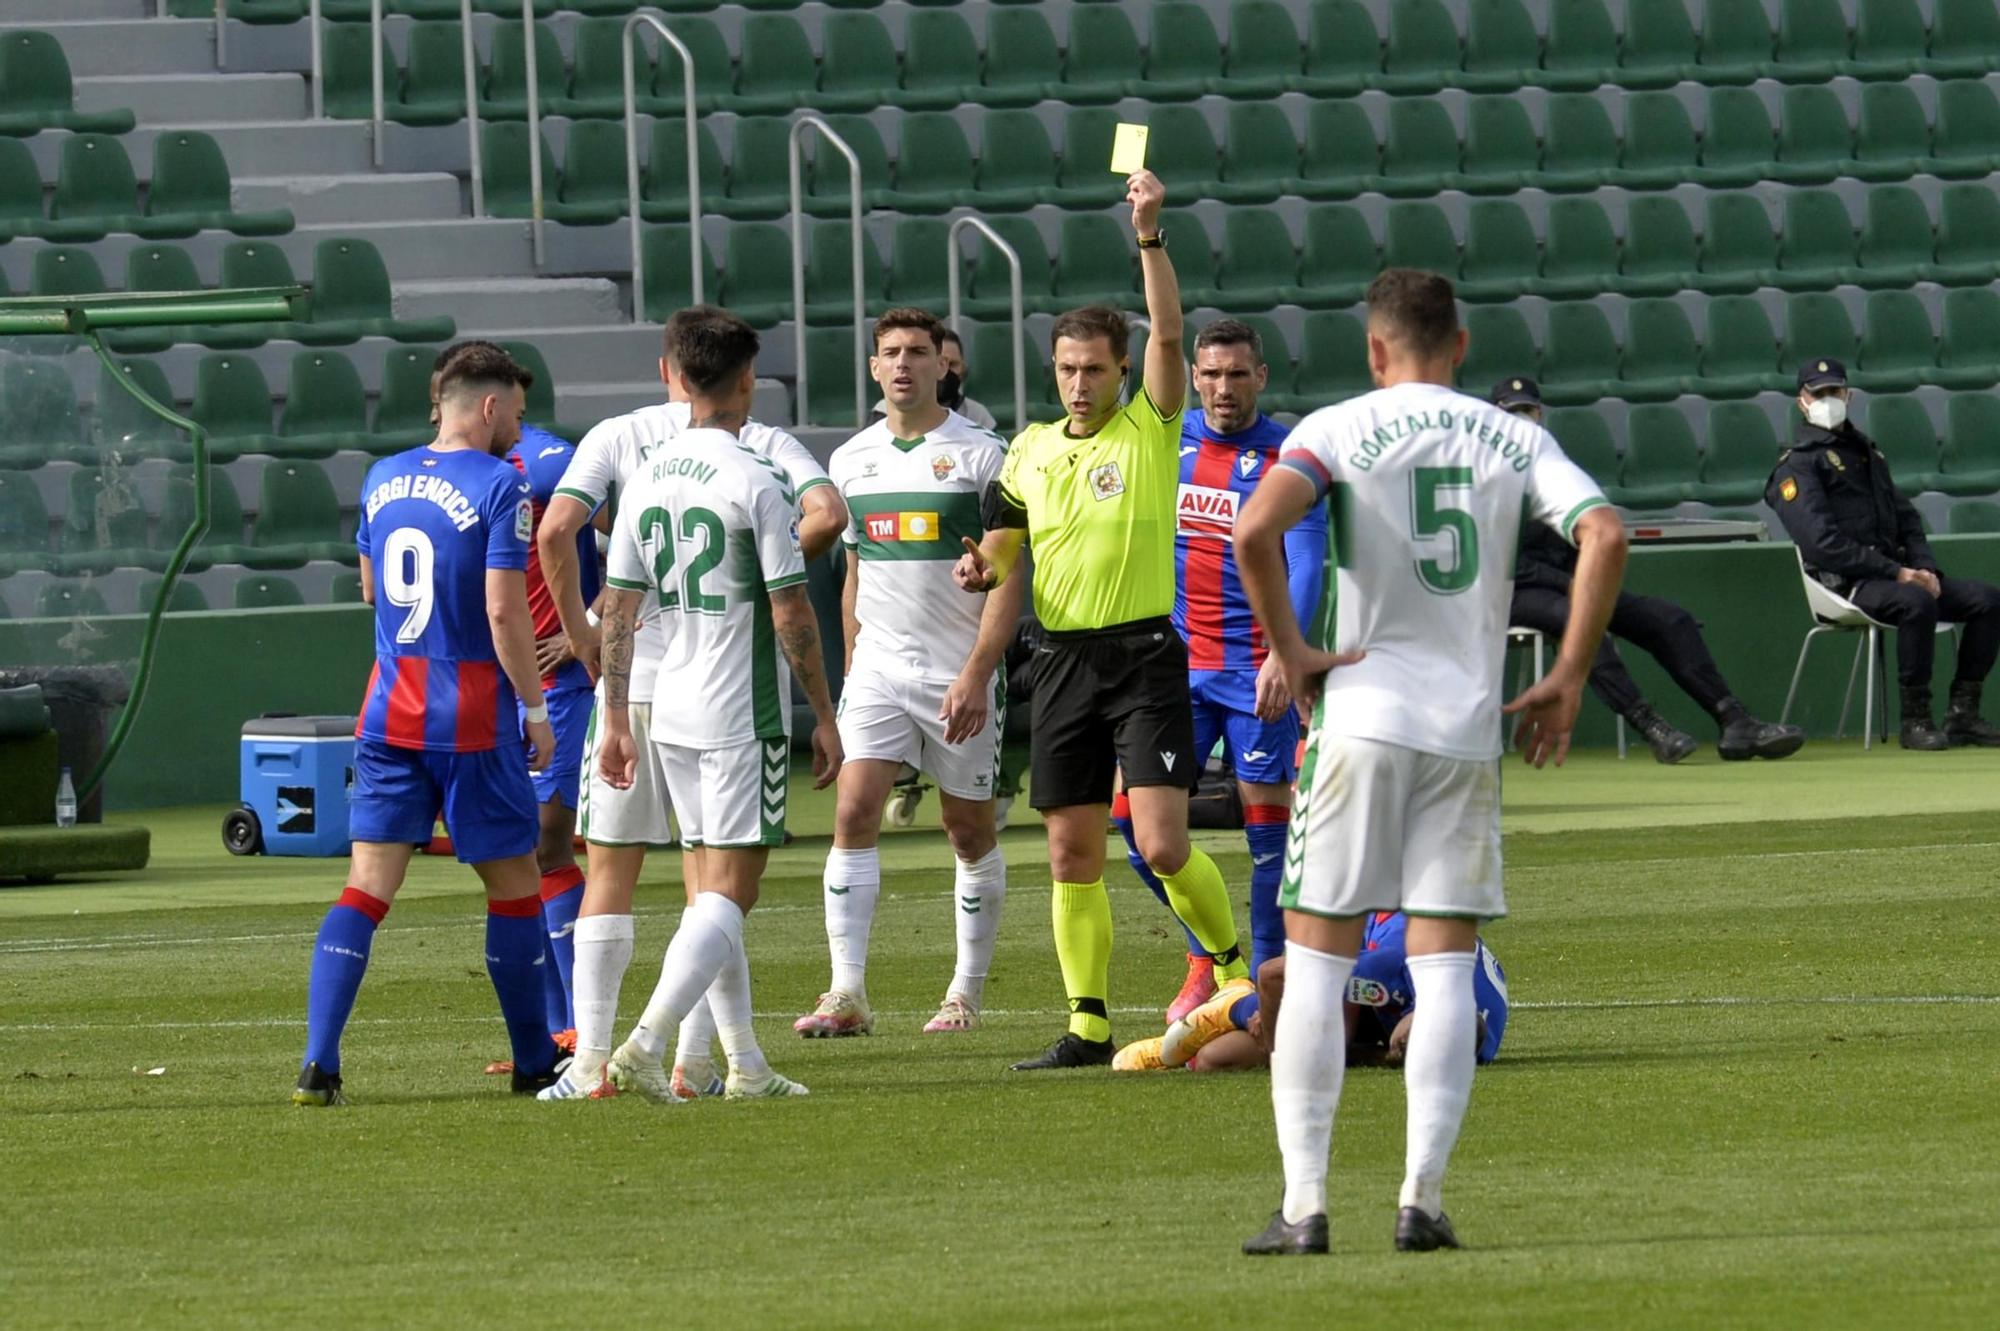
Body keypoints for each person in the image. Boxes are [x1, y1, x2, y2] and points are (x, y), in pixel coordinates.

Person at [1232, 269, 1628, 1255]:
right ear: (1457, 345)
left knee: (1316, 962)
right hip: (1463, 727)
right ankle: (1420, 1200)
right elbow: (1602, 531)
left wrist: (1289, 649)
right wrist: (1569, 673)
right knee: (1444, 962)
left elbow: (1251, 529)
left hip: (1359, 717)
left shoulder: (1331, 426)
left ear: (1374, 350)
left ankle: (1304, 1205)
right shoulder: (1514, 436)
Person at [955, 169, 1252, 1071]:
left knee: (1161, 843)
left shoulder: (1152, 426)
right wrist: (981, 565)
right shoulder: (1031, 450)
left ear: (1123, 371)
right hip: (1059, 661)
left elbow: (1170, 327)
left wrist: (1150, 234)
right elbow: (1005, 544)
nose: (1079, 383)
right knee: (1068, 847)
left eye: (1094, 369)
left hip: (1145, 656)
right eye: (1067, 369)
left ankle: (1233, 966)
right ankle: (1086, 1023)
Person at [533, 309, 847, 1101]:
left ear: (673, 370)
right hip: (740, 711)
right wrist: (827, 714)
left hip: (659, 707)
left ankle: (735, 1064)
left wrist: (609, 718)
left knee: (676, 882)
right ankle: (645, 1042)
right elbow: (792, 612)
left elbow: (617, 611)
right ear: (746, 380)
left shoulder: (643, 479)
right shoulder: (758, 473)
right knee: (728, 892)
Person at [293, 343, 562, 1106]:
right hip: (471, 713)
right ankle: (534, 1061)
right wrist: (535, 709)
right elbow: (505, 610)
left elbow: (374, 589)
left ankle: (319, 1063)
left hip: (387, 707)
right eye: (512, 406)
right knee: (514, 885)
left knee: (366, 888)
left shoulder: (381, 478)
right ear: (486, 406)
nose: (517, 422)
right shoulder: (502, 486)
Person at [795, 308, 1022, 1039]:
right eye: (889, 353)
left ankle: (964, 991)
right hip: (881, 670)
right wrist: (854, 666)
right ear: (872, 367)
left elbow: (1009, 573)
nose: (903, 364)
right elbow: (855, 572)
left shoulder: (986, 455)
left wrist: (980, 672)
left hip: (959, 670)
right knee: (854, 811)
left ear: (942, 367)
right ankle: (847, 992)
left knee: (966, 829)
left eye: (917, 353)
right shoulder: (851, 460)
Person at [1111, 317, 1328, 1027]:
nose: (1223, 388)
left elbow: (1305, 563)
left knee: (1269, 837)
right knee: (1137, 831)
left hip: (1253, 675)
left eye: (1238, 374)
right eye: (1211, 374)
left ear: (1261, 376)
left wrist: (1281, 653)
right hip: (1171, 670)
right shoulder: (1166, 445)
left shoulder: (1288, 457)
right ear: (1194, 376)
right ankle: (1209, 953)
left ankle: (1262, 985)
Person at [1493, 378, 1805, 764]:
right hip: (1511, 593)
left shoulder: (1556, 471)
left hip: (1569, 584)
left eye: (1529, 411)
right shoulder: (1484, 481)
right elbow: (1507, 564)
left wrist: (1583, 583)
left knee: (1668, 619)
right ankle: (1651, 726)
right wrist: (1573, 585)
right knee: (1579, 616)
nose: (1523, 421)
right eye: (1512, 413)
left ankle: (1735, 721)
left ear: (1541, 415)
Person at [1767, 358, 2000, 749]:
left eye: (1834, 391)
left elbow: (1908, 520)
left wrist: (1925, 569)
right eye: (1818, 393)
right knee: (1915, 603)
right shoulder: (1797, 466)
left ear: (1849, 395)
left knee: (1988, 601)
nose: (1828, 399)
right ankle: (1916, 720)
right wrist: (1898, 574)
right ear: (1801, 402)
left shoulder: (1869, 456)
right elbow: (1821, 544)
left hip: (1896, 577)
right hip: (1847, 585)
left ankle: (1963, 715)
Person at [1111, 912, 1509, 1074]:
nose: (1402, 1052)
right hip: (1377, 961)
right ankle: (1230, 1001)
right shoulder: (1390, 961)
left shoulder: (1468, 1044)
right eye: (1406, 1046)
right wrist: (1268, 1017)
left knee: (1217, 1060)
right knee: (1265, 1041)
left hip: (1386, 991)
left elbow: (1390, 1052)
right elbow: (1271, 974)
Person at [872, 327, 997, 431]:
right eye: (939, 364)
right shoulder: (886, 411)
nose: (945, 371)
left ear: (963, 368)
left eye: (952, 364)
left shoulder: (978, 415)